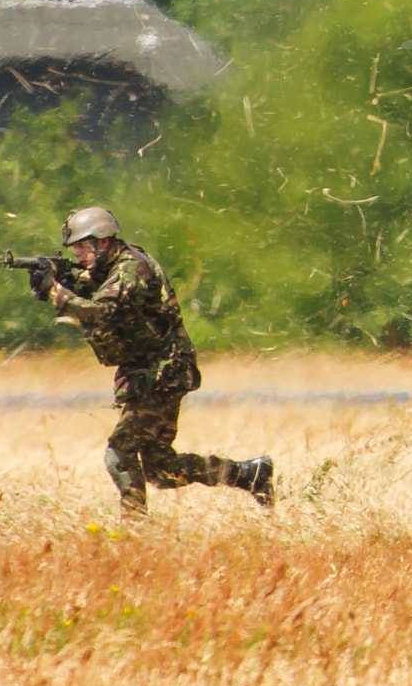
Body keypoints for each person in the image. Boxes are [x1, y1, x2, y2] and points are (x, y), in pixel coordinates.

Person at [30, 206, 273, 515]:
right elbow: (98, 293)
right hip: (152, 372)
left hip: (161, 373)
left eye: (81, 246)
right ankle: (250, 474)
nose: (77, 254)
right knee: (162, 470)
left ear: (102, 242)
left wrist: (56, 290)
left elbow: (101, 312)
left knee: (120, 452)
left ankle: (133, 524)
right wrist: (62, 281)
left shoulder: (132, 268)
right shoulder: (115, 266)